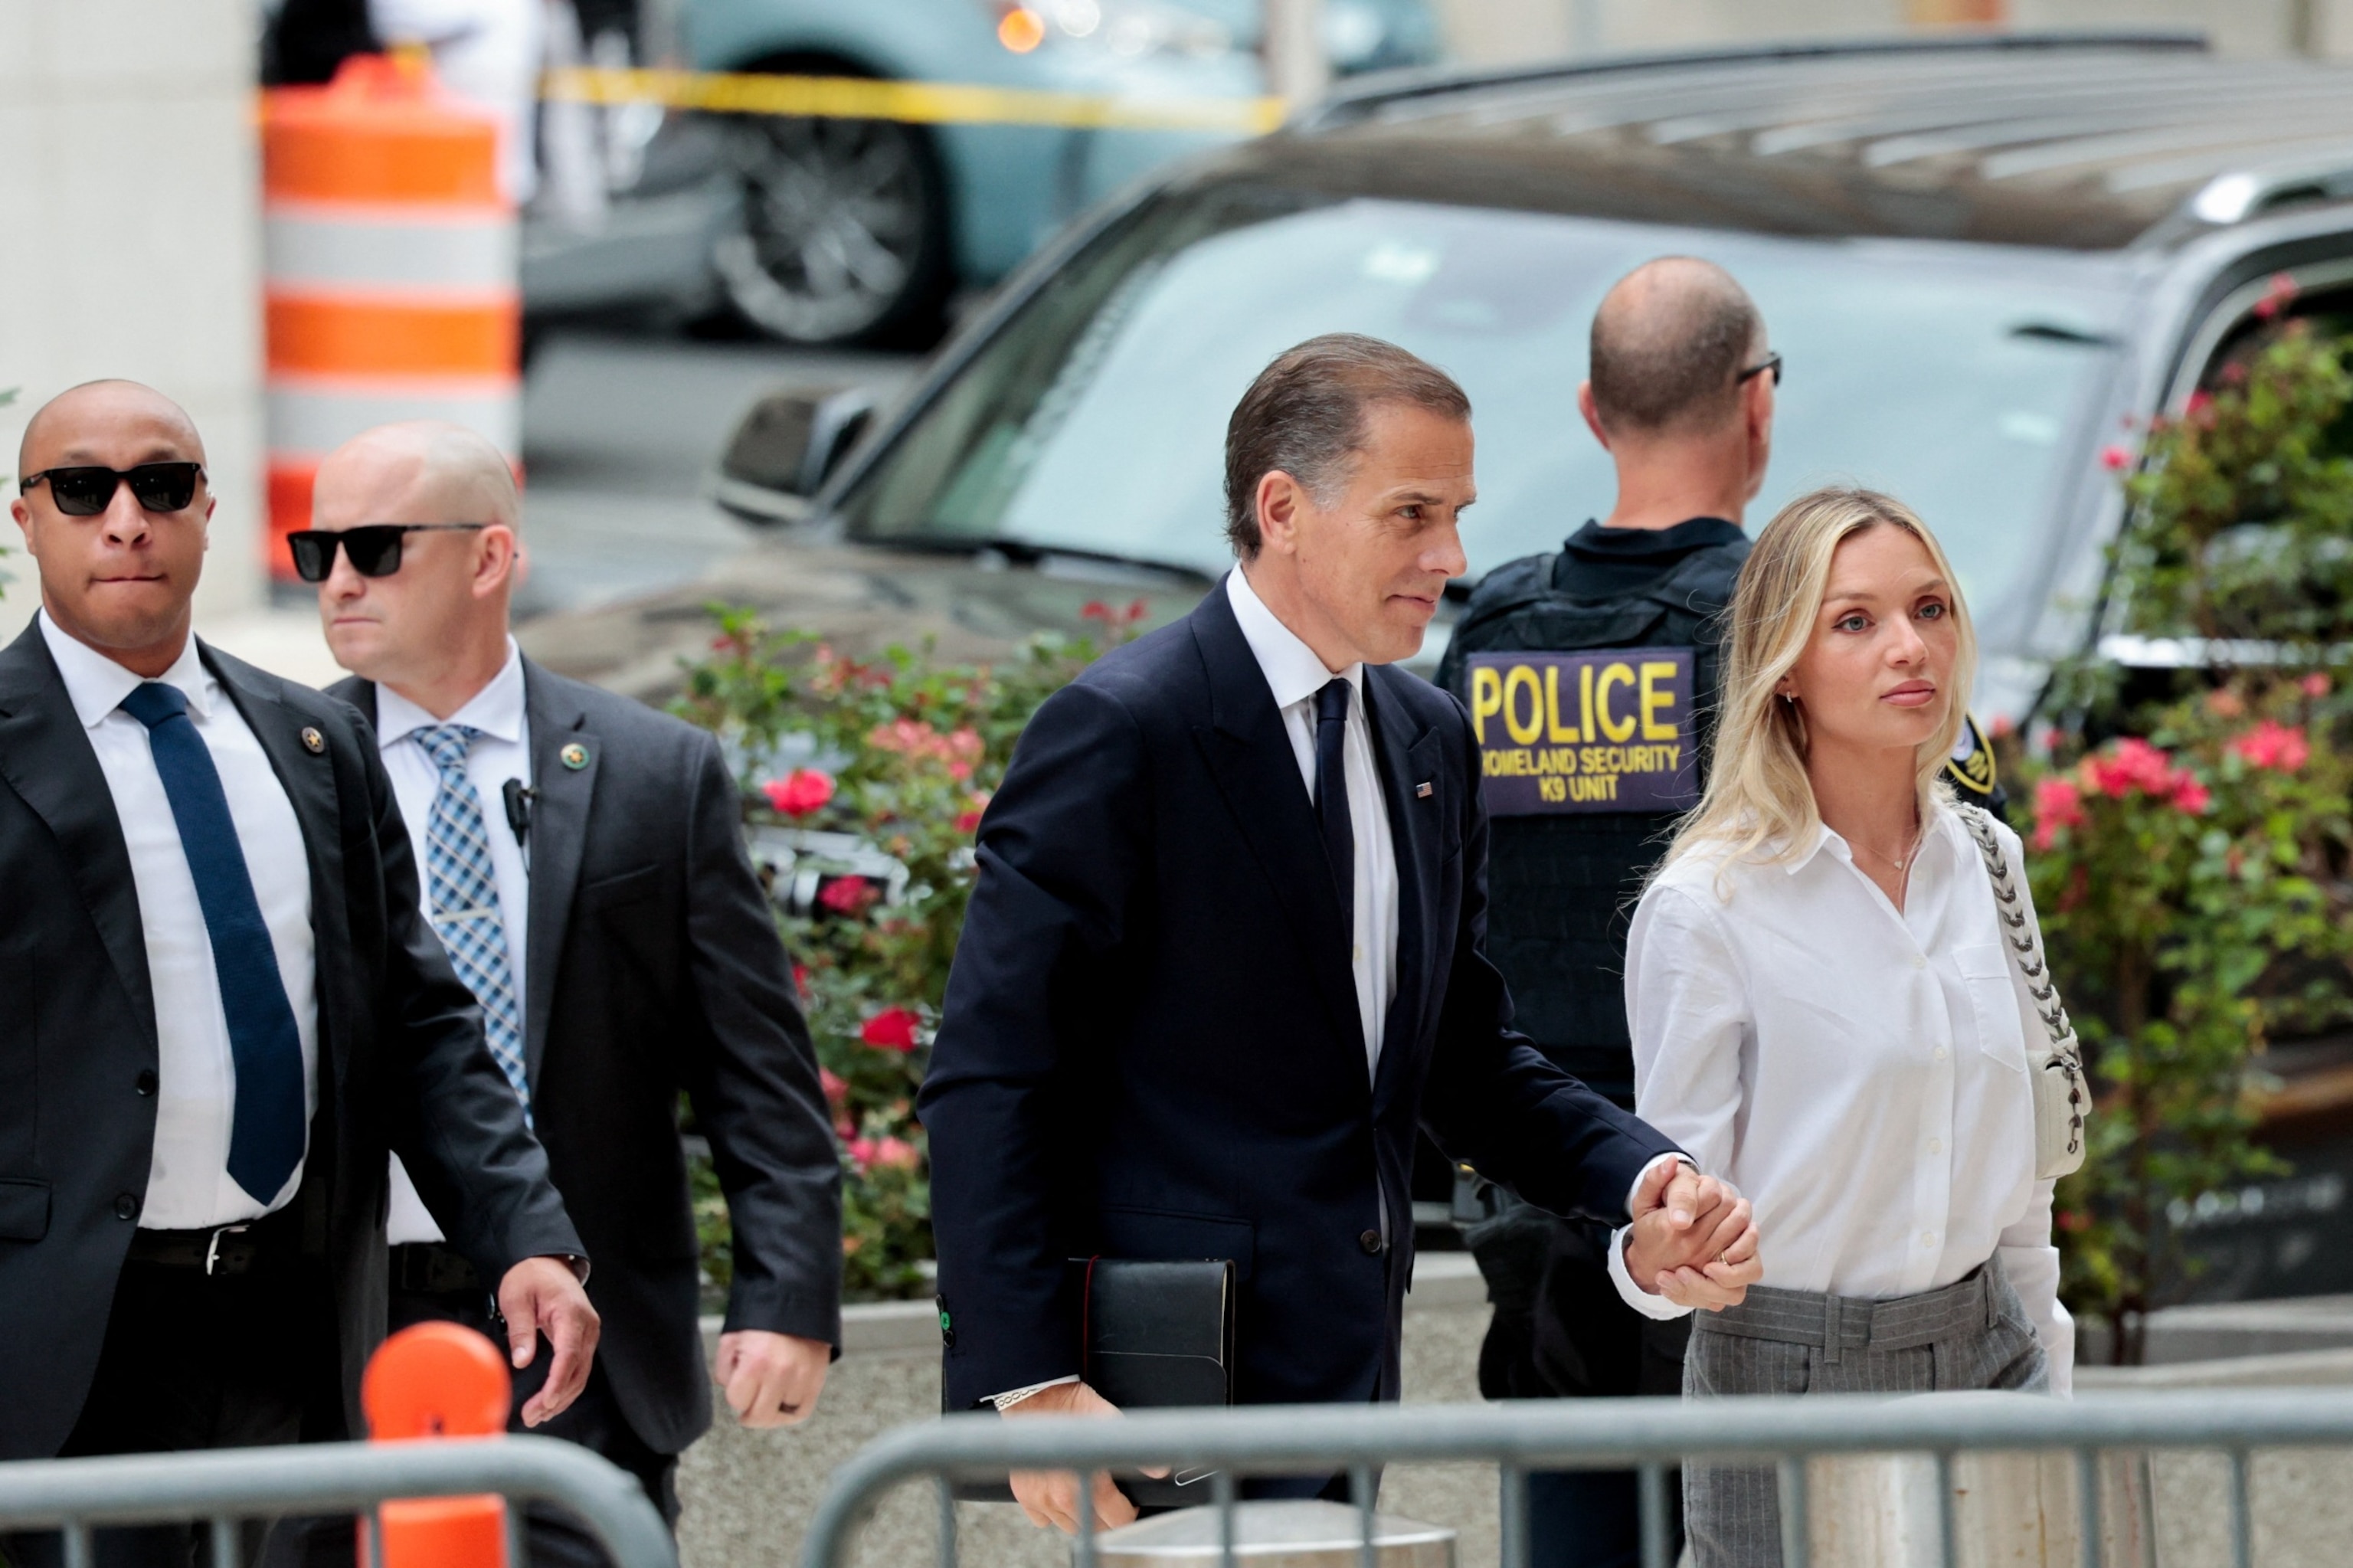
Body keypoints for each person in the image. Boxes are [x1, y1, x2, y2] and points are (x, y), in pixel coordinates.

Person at [920, 332, 1763, 1537]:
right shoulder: (1121, 731)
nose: (1451, 558)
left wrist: (1641, 1176)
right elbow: (990, 1074)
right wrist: (1029, 1381)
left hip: (1347, 1383)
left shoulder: (1428, 740)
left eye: (1459, 515)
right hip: (1162, 1395)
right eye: (1411, 514)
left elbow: (1463, 1057)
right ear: (1282, 509)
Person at [0, 381, 597, 1563]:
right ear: (29, 520)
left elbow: (419, 1018)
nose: (127, 519)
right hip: (68, 1343)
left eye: (161, 486)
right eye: (84, 489)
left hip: (292, 1320)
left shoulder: (312, 742)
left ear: (208, 510)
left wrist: (526, 1233)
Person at [296, 421, 843, 1563]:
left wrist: (786, 1295)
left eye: (377, 547)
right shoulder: (286, 766)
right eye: (318, 551)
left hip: (586, 1340)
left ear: (489, 557)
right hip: (345, 1330)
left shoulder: (652, 771)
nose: (339, 580)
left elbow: (755, 1072)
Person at [1614, 486, 2074, 1568]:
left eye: (1930, 608)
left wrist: (2055, 1389)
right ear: (1787, 669)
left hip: (1987, 1353)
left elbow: (2025, 1186)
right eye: (1855, 622)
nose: (1908, 647)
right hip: (1785, 1382)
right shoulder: (1709, 904)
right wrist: (1656, 1254)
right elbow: (1670, 1214)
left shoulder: (1989, 865)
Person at [1433, 256, 1771, 1568]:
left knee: (1571, 1515)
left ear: (1591, 412)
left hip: (1538, 1180)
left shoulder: (1491, 629)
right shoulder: (1784, 620)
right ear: (1758, 406)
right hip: (1732, 1195)